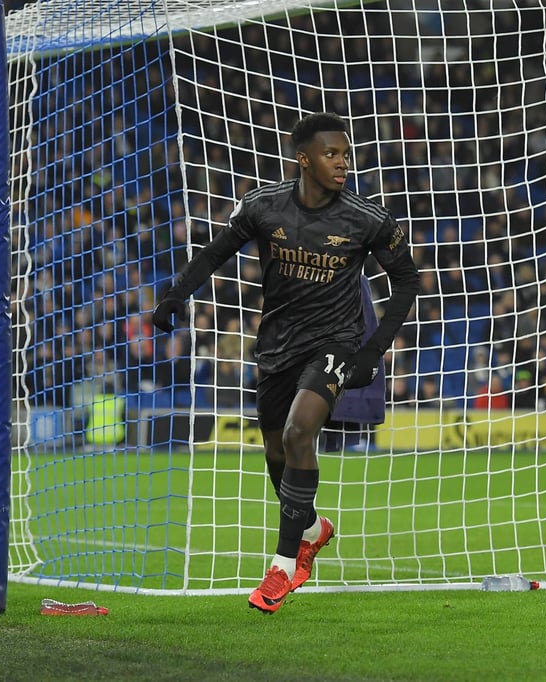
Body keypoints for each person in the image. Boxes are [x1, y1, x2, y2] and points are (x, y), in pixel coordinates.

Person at [151, 112, 420, 613]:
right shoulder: (262, 206)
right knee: (276, 448)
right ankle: (314, 528)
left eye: (345, 153)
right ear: (304, 159)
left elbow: (408, 281)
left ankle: (282, 567)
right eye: (331, 154)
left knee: (300, 433)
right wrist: (174, 297)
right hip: (275, 347)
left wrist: (371, 351)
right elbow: (213, 254)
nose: (343, 163)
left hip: (336, 343)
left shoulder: (367, 218)